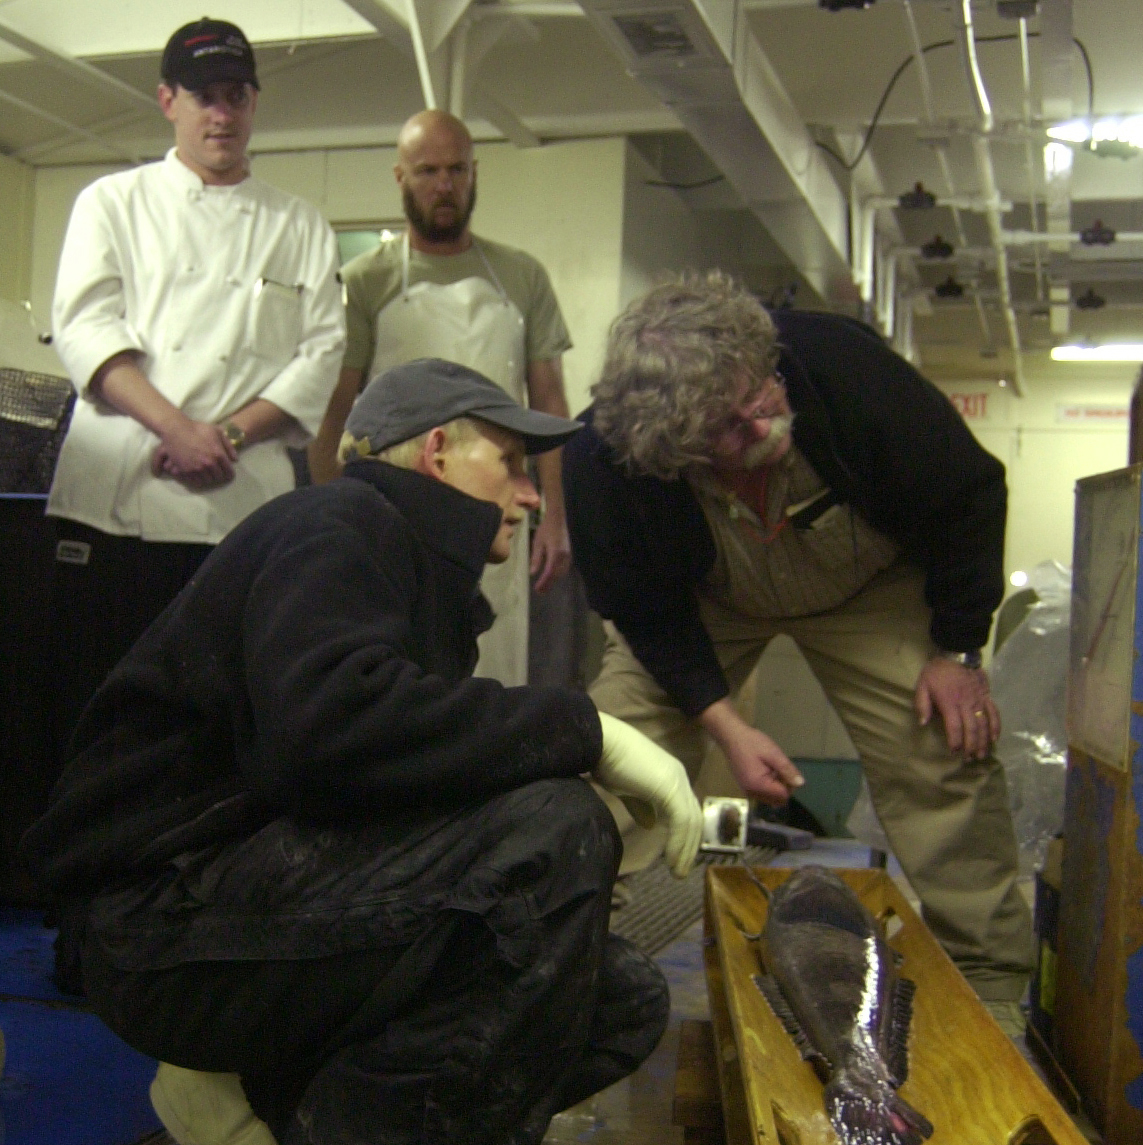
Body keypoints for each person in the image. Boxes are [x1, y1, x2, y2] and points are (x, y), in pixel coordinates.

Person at [22, 359, 701, 1145]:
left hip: (224, 903)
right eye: (510, 461)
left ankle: (246, 1097)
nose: (527, 492)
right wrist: (584, 733)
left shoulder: (405, 574)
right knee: (545, 836)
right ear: (437, 451)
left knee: (612, 1001)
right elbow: (326, 733)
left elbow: (367, 788)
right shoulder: (338, 527)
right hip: (159, 917)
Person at [563, 272, 1034, 1008]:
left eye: (761, 394)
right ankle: (565, 959)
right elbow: (645, 612)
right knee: (615, 746)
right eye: (729, 427)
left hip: (869, 588)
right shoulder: (606, 461)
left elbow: (967, 494)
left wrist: (956, 652)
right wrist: (724, 723)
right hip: (706, 601)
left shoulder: (841, 370)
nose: (763, 423)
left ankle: (995, 984)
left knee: (941, 751)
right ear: (673, 450)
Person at [46, 17, 345, 759]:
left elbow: (321, 355)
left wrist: (229, 436)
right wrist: (179, 432)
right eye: (203, 96)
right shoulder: (111, 202)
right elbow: (86, 329)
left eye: (236, 95)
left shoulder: (300, 224)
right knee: (95, 710)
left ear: (252, 104)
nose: (221, 113)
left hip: (242, 512)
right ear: (166, 101)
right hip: (119, 507)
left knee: (223, 716)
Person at [308, 109, 574, 688]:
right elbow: (335, 408)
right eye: (427, 170)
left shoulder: (522, 276)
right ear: (400, 178)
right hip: (396, 508)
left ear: (475, 173)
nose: (444, 185)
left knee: (494, 670)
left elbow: (550, 401)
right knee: (402, 661)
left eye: (456, 169)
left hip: (494, 503)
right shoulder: (364, 281)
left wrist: (555, 514)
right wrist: (326, 510)